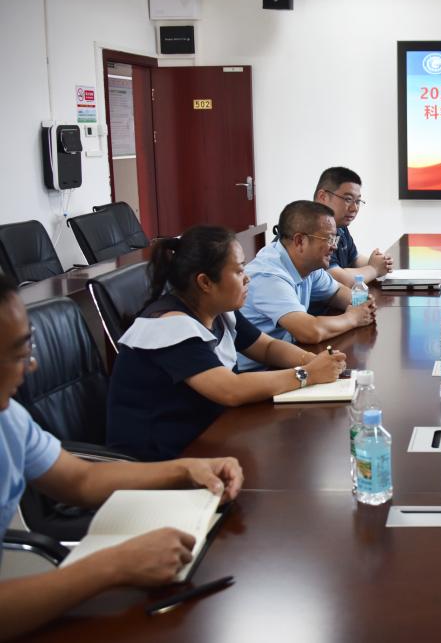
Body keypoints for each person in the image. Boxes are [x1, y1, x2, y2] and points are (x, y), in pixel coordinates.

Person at [0, 273, 244, 640]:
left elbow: (81, 480)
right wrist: (113, 565)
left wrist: (186, 470)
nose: (31, 365)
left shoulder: (9, 419)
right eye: (18, 353)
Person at [106, 225, 347, 460]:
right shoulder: (170, 327)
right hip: (159, 461)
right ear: (205, 282)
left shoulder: (218, 311)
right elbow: (231, 390)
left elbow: (267, 347)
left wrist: (313, 360)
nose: (247, 278)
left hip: (209, 435)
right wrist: (308, 374)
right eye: (239, 271)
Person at [238, 200, 376, 371]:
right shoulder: (269, 276)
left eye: (335, 238)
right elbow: (310, 331)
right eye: (329, 239)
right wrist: (353, 318)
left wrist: (362, 302)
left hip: (285, 359)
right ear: (300, 241)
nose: (334, 246)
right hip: (257, 373)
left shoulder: (308, 265)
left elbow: (336, 292)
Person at [311, 166, 393, 286]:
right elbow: (338, 280)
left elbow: (354, 259)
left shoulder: (340, 227)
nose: (354, 208)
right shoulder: (312, 231)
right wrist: (374, 269)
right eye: (348, 199)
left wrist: (381, 262)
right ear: (323, 197)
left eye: (358, 201)